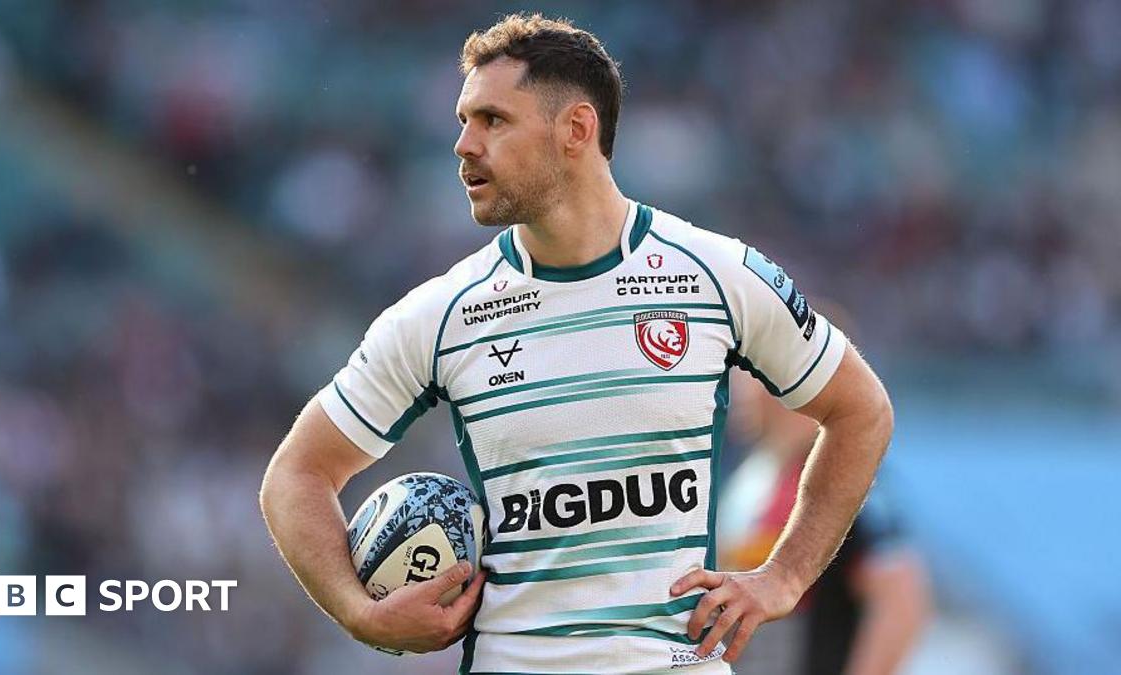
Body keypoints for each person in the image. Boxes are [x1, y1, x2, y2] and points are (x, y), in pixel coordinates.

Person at [259, 13, 893, 674]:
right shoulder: (441, 314)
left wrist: (784, 577)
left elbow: (861, 410)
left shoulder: (716, 274)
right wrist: (359, 614)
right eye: (463, 121)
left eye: (493, 120)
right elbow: (296, 474)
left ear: (576, 129)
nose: (464, 145)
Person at [716, 365, 931, 675]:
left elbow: (900, 598)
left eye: (750, 370)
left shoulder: (846, 478)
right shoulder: (753, 472)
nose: (739, 386)